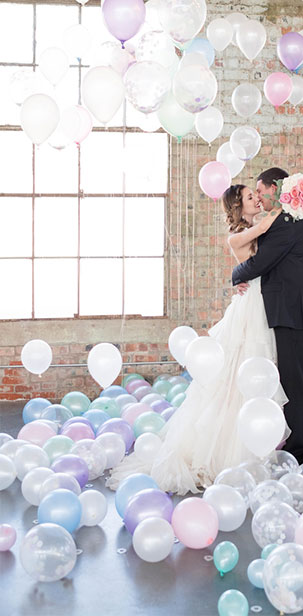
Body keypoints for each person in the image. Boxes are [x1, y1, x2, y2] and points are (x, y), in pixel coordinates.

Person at [106, 184, 286, 494]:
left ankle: (260, 440)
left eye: (257, 195)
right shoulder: (240, 236)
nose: (257, 199)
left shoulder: (258, 228)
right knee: (235, 376)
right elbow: (268, 228)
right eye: (250, 197)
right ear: (238, 208)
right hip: (250, 311)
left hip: (263, 305)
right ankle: (228, 452)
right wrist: (293, 199)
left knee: (259, 371)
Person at [232, 167, 303, 464]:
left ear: (275, 188)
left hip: (293, 311)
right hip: (298, 308)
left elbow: (261, 262)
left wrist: (235, 275)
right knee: (299, 378)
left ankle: (300, 448)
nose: (258, 197)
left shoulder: (287, 220)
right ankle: (300, 438)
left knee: (296, 381)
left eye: (260, 191)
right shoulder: (298, 217)